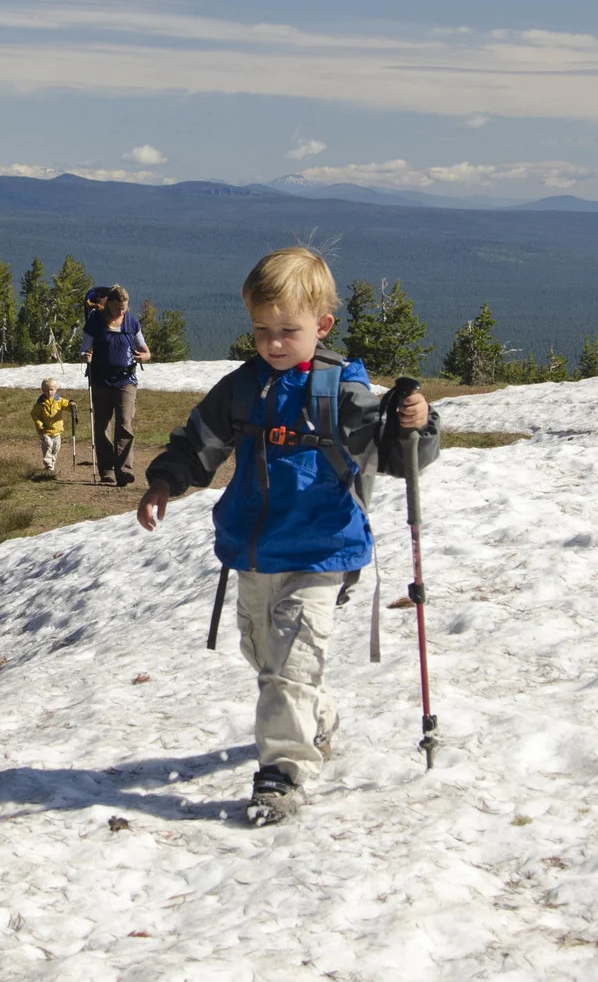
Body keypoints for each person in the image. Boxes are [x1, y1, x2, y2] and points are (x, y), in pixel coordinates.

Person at [136, 247, 437, 825]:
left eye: (288, 331)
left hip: (323, 549)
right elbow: (199, 440)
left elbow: (396, 456)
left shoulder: (341, 392)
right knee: (264, 654)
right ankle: (314, 720)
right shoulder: (243, 386)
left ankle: (283, 772)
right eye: (261, 330)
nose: (273, 343)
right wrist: (164, 483)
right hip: (255, 548)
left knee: (290, 663)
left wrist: (415, 423)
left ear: (321, 326)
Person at [79, 284, 151, 485]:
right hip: (101, 380)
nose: (123, 311)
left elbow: (145, 349)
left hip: (126, 380)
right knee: (102, 426)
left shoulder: (131, 323)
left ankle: (124, 470)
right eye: (119, 307)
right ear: (109, 304)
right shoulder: (95, 323)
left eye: (125, 307)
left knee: (124, 423)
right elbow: (84, 350)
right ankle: (107, 471)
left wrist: (144, 356)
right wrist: (85, 356)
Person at [30, 377, 74, 479]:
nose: (50, 392)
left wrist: (71, 405)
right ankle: (48, 465)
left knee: (56, 448)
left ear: (56, 390)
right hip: (45, 430)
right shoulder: (40, 403)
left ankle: (52, 465)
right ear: (43, 391)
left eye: (52, 390)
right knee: (47, 445)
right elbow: (34, 415)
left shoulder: (59, 400)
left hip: (57, 430)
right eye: (47, 390)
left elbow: (66, 405)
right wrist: (39, 424)